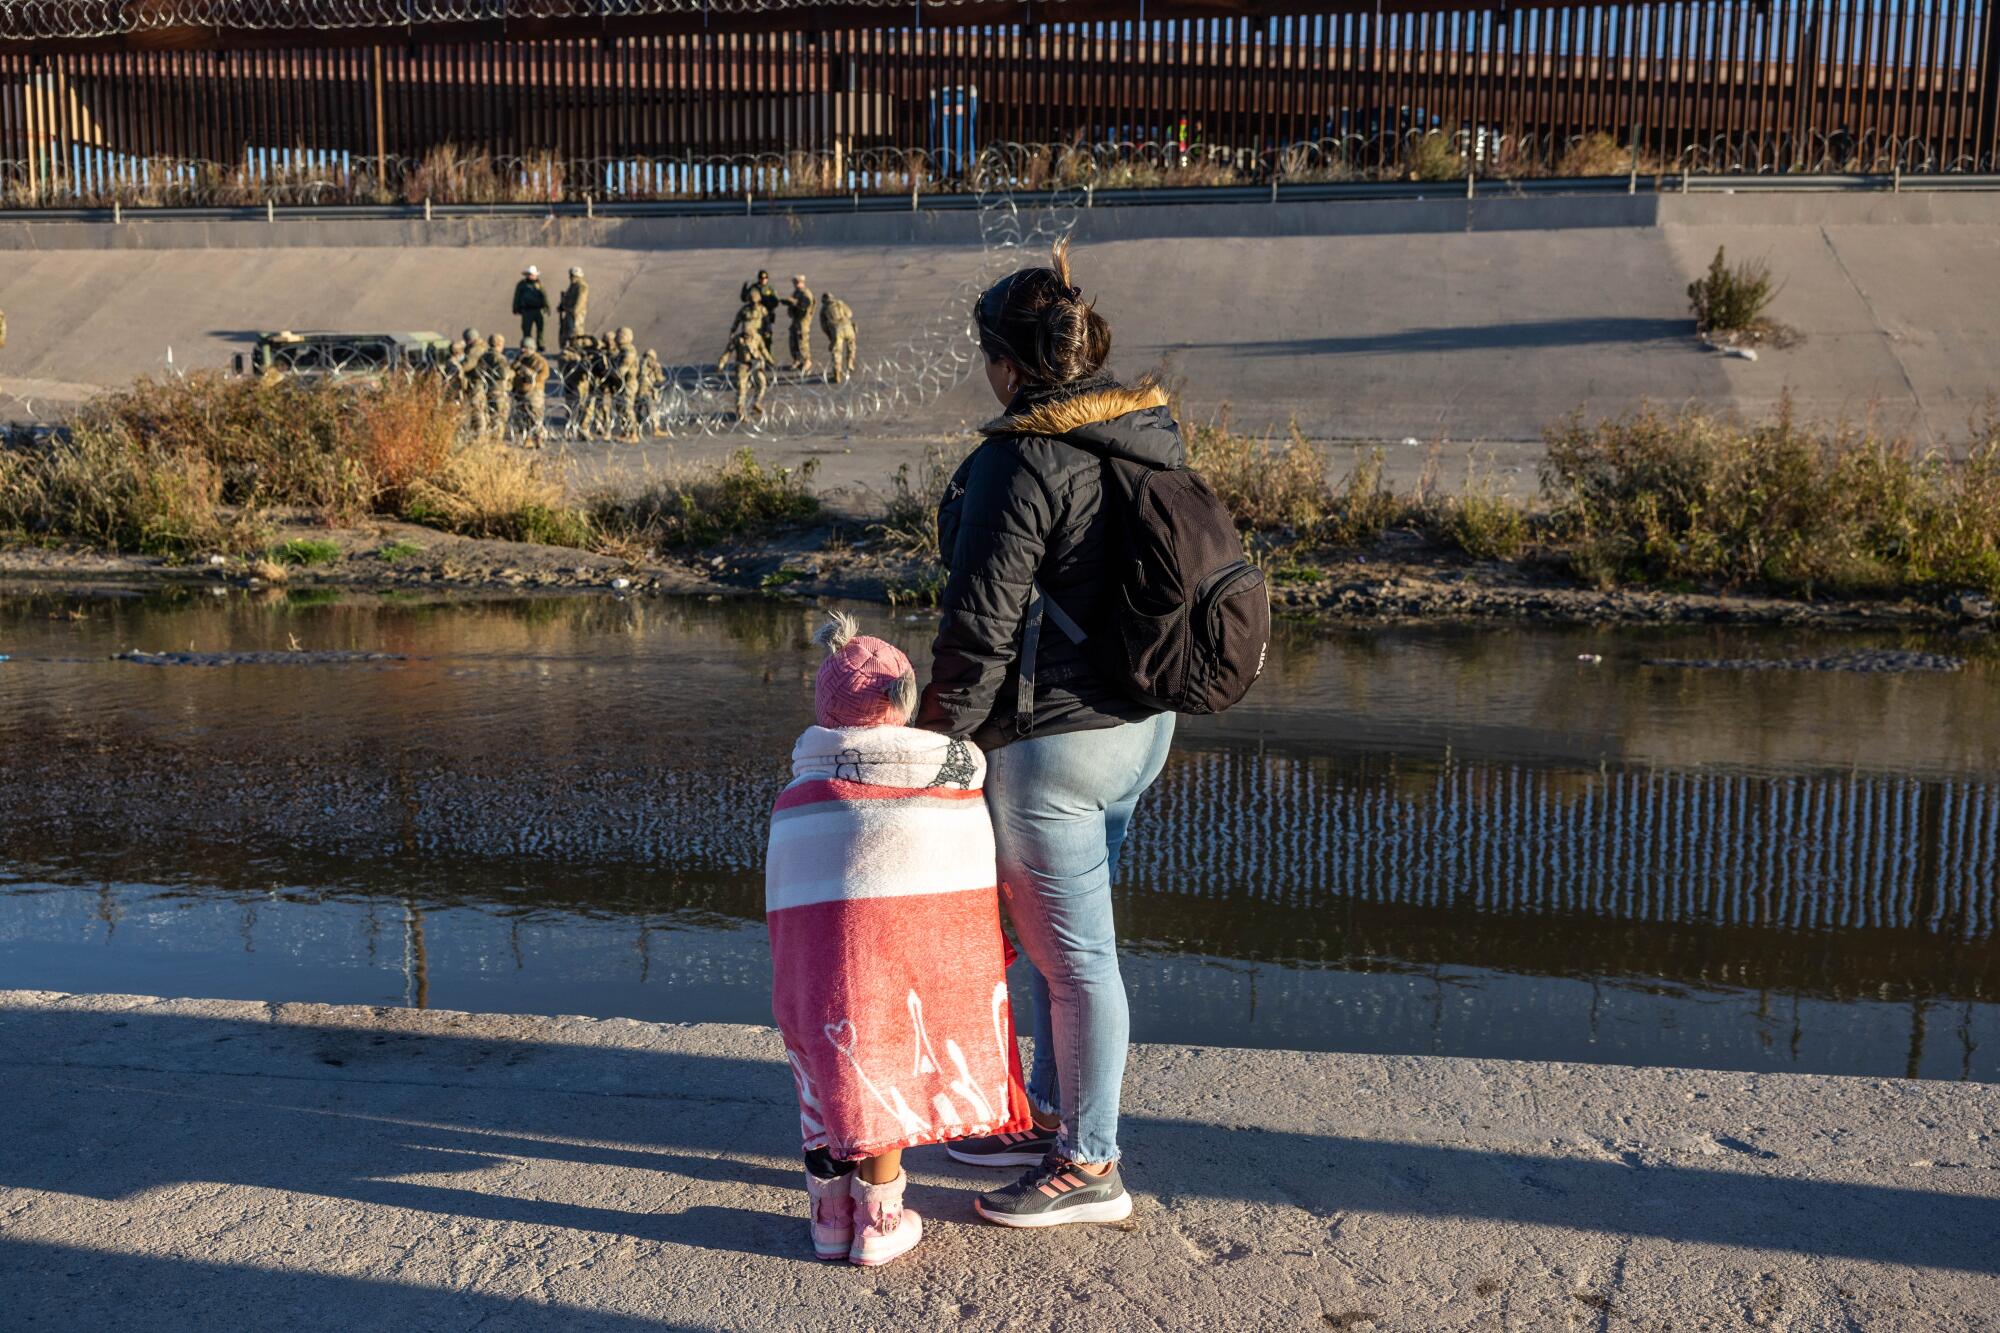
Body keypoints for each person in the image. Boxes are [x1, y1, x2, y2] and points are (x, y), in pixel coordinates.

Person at [916, 238, 1179, 1229]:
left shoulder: (1020, 455)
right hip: (1140, 726)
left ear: (1008, 360)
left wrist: (934, 747)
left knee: (1074, 961)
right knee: (1055, 942)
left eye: (984, 353)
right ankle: (1051, 1121)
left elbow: (978, 624)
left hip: (1056, 745)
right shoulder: (1144, 429)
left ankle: (1090, 1163)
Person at [765, 611, 1029, 1266]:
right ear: (904, 701)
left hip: (813, 967)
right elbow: (962, 885)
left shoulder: (799, 793)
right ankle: (879, 1218)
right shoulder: (952, 778)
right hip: (898, 966)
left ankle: (829, 1218)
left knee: (822, 1066)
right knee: (880, 1063)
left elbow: (784, 894)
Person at [721, 321, 770, 422]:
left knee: (762, 383)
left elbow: (763, 349)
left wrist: (770, 360)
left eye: (749, 333)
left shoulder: (757, 337)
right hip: (742, 365)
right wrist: (721, 363)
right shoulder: (738, 339)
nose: (747, 335)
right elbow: (728, 351)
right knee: (742, 388)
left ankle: (757, 402)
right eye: (745, 333)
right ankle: (740, 412)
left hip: (756, 364)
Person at [511, 343, 551, 446]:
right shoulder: (520, 359)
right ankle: (527, 438)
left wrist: (530, 374)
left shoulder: (539, 361)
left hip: (534, 393)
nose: (522, 350)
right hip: (520, 392)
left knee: (535, 416)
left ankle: (538, 439)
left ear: (531, 349)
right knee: (523, 416)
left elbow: (544, 375)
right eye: (522, 348)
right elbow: (512, 371)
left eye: (525, 348)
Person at [610, 327, 641, 442]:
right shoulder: (621, 352)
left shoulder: (629, 353)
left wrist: (609, 373)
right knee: (620, 408)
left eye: (620, 335)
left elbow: (621, 371)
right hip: (621, 384)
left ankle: (633, 434)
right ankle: (625, 432)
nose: (617, 338)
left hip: (629, 383)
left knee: (627, 408)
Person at [477, 333, 511, 437]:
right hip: (498, 391)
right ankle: (496, 441)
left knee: (489, 416)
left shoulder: (483, 356)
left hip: (486, 389)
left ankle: (489, 438)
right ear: (500, 344)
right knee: (499, 417)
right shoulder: (500, 358)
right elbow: (503, 374)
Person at [820, 292, 857, 383]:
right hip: (848, 327)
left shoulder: (823, 309)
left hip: (837, 330)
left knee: (836, 352)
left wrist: (830, 337)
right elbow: (849, 314)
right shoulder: (839, 303)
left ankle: (837, 374)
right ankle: (850, 363)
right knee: (851, 345)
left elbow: (824, 326)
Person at [512, 265, 550, 351]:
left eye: (532, 274)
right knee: (526, 329)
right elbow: (517, 296)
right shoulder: (522, 285)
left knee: (540, 328)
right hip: (527, 310)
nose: (531, 276)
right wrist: (515, 307)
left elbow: (544, 296)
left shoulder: (539, 285)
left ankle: (540, 344)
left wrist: (547, 307)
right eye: (529, 274)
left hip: (538, 310)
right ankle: (527, 344)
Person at [783, 276, 815, 374]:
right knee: (793, 340)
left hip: (803, 321)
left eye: (798, 282)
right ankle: (797, 359)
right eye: (795, 282)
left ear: (802, 282)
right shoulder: (796, 293)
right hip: (796, 320)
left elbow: (805, 308)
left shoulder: (806, 294)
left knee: (802, 341)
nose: (796, 284)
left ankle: (807, 361)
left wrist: (794, 303)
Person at [558, 267, 588, 349]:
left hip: (576, 314)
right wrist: (562, 305)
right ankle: (568, 348)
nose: (570, 277)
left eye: (572, 275)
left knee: (575, 333)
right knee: (566, 331)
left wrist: (574, 311)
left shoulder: (582, 286)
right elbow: (567, 296)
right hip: (569, 312)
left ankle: (576, 349)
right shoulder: (573, 285)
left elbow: (580, 301)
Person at [639, 349, 666, 435]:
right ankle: (656, 429)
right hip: (647, 389)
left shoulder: (639, 361)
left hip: (637, 389)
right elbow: (659, 378)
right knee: (652, 409)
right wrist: (664, 380)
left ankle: (635, 429)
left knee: (637, 409)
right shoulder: (653, 363)